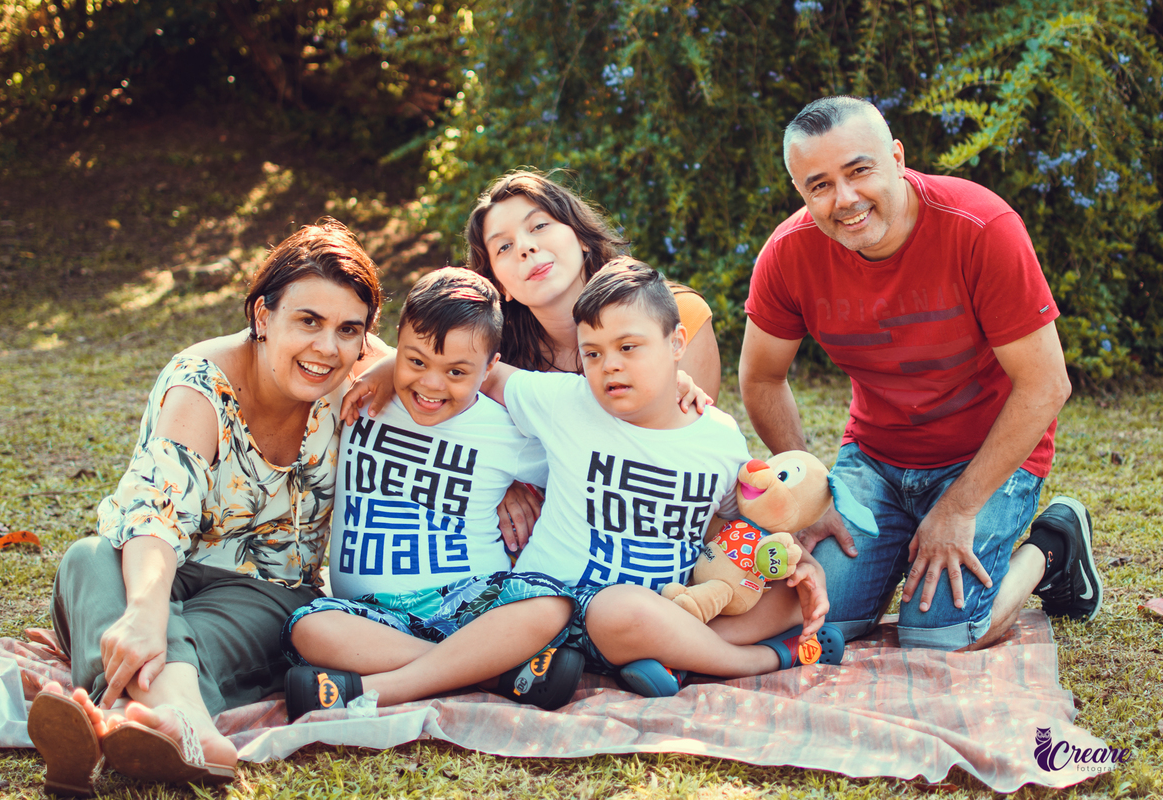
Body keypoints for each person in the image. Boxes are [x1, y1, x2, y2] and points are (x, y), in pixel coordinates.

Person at [26, 219, 386, 796]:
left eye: (349, 330)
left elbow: (455, 369)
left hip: (265, 591)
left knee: (191, 633)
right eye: (308, 321)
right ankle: (185, 727)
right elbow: (155, 513)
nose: (327, 347)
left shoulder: (359, 376)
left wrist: (516, 479)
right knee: (88, 558)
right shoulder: (201, 385)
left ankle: (121, 718)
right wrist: (145, 609)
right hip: (151, 565)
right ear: (262, 317)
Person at [738, 95, 1100, 653]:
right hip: (876, 460)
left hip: (984, 457)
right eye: (820, 185)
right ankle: (900, 543)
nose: (845, 199)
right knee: (814, 616)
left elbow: (1047, 384)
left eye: (859, 171)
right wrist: (814, 496)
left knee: (942, 635)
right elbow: (762, 378)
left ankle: (1051, 547)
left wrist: (958, 508)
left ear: (898, 159)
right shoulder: (789, 254)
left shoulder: (981, 226)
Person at [482, 259, 843, 697]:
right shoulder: (566, 401)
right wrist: (387, 365)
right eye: (592, 353)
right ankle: (766, 656)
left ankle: (672, 654)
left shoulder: (718, 437)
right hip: (568, 613)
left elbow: (739, 527)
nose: (609, 365)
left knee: (790, 591)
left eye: (628, 348)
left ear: (676, 344)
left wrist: (797, 565)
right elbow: (483, 371)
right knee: (618, 610)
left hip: (679, 610)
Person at [279, 268, 581, 718]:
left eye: (457, 371)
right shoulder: (359, 398)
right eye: (415, 361)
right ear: (394, 346)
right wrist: (383, 369)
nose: (431, 385)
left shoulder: (508, 433)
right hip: (371, 614)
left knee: (551, 602)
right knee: (309, 626)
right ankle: (494, 674)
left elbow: (581, 461)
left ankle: (379, 688)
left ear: (490, 368)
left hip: (471, 601)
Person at [464, 171, 723, 541]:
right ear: (500, 284)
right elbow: (441, 398)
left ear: (582, 238)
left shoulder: (678, 318)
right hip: (545, 542)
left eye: (538, 226)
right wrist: (500, 483)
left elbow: (678, 467)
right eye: (503, 247)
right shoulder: (495, 355)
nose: (524, 247)